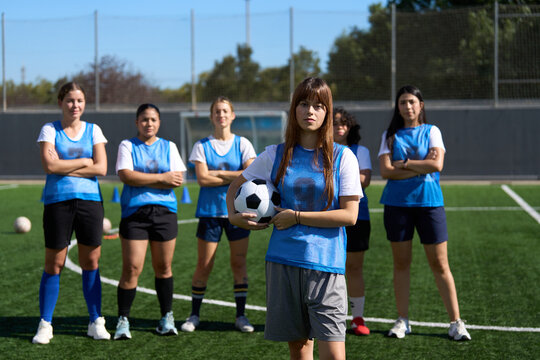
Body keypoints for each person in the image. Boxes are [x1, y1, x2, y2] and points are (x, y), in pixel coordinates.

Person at [227, 77, 361, 360]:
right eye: (303, 103)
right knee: (300, 351)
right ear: (294, 109)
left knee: (335, 355)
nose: (309, 111)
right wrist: (234, 216)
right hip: (283, 262)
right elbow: (235, 186)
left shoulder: (342, 157)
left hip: (326, 265)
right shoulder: (275, 154)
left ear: (327, 112)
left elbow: (350, 216)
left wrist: (297, 217)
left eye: (318, 105)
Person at [378, 85, 471, 341]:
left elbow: (437, 164)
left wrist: (405, 164)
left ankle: (455, 322)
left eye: (411, 102)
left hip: (430, 203)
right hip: (396, 205)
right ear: (397, 107)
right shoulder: (389, 135)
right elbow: (386, 172)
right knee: (401, 264)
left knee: (440, 264)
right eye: (402, 103)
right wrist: (422, 167)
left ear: (420, 105)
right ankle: (402, 320)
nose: (407, 107)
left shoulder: (432, 131)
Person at [33, 82, 110, 344]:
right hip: (58, 203)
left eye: (79, 100)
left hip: (90, 203)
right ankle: (45, 324)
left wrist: (63, 166)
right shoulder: (49, 129)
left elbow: (101, 169)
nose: (75, 105)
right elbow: (48, 164)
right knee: (54, 264)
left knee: (91, 262)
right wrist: (84, 161)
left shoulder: (94, 130)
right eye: (69, 100)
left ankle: (95, 320)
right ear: (60, 103)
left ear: (84, 103)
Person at [181, 96, 257, 333]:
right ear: (211, 116)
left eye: (225, 111)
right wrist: (235, 174)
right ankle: (194, 315)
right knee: (204, 264)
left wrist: (218, 173)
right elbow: (202, 179)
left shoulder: (243, 143)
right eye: (217, 111)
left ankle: (241, 316)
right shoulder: (201, 146)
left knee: (238, 263)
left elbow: (250, 174)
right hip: (209, 212)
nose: (221, 115)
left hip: (238, 212)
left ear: (232, 115)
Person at [113, 103, 187, 340]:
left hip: (165, 213)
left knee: (163, 268)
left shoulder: (169, 146)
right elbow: (126, 175)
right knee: (132, 268)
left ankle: (166, 317)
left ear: (159, 123)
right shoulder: (127, 145)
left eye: (153, 119)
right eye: (144, 119)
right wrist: (161, 178)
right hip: (135, 215)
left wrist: (143, 179)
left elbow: (177, 180)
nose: (149, 124)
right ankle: (123, 320)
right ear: (137, 122)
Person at [333, 107, 372, 336]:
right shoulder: (320, 150)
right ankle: (330, 316)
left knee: (354, 268)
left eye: (344, 123)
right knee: (328, 268)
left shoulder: (361, 151)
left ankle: (357, 319)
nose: (340, 126)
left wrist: (336, 172)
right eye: (335, 122)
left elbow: (364, 181)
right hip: (326, 215)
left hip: (357, 216)